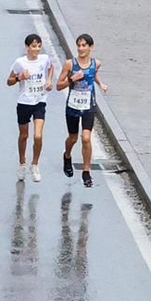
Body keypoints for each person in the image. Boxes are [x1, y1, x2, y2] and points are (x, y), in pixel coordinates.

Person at [7, 31, 57, 184]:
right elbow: (9, 81)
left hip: (39, 101)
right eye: (34, 46)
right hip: (24, 102)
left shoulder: (44, 59)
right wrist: (19, 77)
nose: (37, 49)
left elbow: (51, 67)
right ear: (27, 47)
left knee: (38, 136)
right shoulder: (20, 63)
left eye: (39, 46)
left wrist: (49, 81)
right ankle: (22, 163)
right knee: (24, 136)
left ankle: (35, 164)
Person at [60, 31, 104, 186]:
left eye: (84, 45)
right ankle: (67, 155)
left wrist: (100, 84)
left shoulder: (96, 63)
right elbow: (59, 85)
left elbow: (94, 74)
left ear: (90, 47)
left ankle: (86, 171)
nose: (80, 48)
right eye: (79, 45)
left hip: (88, 106)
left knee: (86, 138)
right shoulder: (70, 64)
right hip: (72, 106)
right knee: (73, 137)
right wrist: (72, 79)